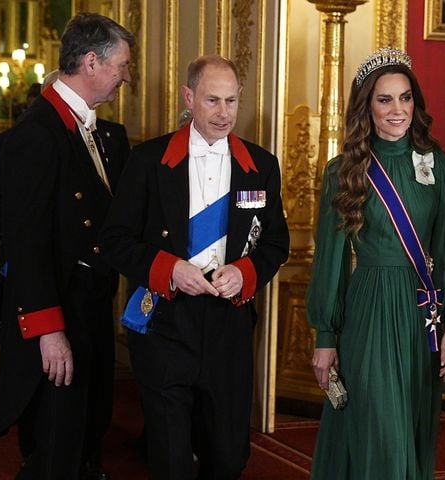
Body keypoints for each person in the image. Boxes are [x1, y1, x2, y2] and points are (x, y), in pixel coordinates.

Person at [99, 54, 289, 479]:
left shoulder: (261, 165)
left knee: (227, 456)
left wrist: (244, 272)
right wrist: (170, 269)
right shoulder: (148, 160)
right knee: (170, 457)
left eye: (231, 101)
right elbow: (115, 240)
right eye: (212, 100)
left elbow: (276, 243)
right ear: (188, 97)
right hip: (166, 322)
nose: (224, 113)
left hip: (228, 323)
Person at [306, 46, 445, 479]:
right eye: (385, 100)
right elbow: (330, 261)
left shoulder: (437, 164)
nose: (398, 109)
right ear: (367, 106)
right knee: (380, 427)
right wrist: (326, 336)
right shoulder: (343, 171)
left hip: (421, 316)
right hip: (368, 311)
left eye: (405, 97)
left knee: (412, 425)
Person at [0, 13, 134, 479]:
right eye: (122, 66)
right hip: (57, 312)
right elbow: (26, 244)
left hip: (90, 307)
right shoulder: (38, 133)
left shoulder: (92, 128)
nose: (126, 77)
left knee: (86, 432)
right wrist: (49, 331)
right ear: (91, 62)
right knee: (56, 444)